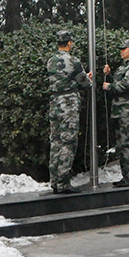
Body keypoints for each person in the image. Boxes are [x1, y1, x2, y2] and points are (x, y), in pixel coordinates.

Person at [46, 30, 92, 194]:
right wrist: (88, 78)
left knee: (55, 141)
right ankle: (63, 182)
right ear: (69, 43)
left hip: (54, 103)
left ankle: (54, 181)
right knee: (68, 142)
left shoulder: (51, 61)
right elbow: (84, 83)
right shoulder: (73, 61)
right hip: (68, 104)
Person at [103, 37, 129, 188]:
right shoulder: (123, 67)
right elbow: (119, 82)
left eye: (124, 49)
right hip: (120, 110)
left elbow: (127, 84)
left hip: (128, 111)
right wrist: (108, 75)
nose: (121, 51)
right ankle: (126, 176)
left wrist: (110, 86)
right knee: (121, 145)